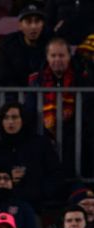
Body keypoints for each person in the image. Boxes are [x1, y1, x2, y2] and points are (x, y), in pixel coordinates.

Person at [27, 37, 93, 177]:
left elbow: (87, 110)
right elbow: (30, 110)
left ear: (69, 57)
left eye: (62, 55)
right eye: (53, 55)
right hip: (44, 132)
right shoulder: (36, 80)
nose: (57, 59)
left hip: (76, 134)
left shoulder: (82, 78)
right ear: (47, 57)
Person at [0, 102, 63, 211]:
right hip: (1, 206)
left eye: (14, 117)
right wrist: (7, 176)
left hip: (37, 205)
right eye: (6, 118)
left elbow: (55, 174)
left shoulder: (40, 144)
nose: (10, 122)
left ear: (23, 120)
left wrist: (41, 192)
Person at [0, 3, 50, 88]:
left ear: (43, 24)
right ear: (20, 25)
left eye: (37, 21)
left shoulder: (51, 43)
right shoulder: (8, 45)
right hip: (16, 93)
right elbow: (5, 79)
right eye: (28, 22)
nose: (33, 26)